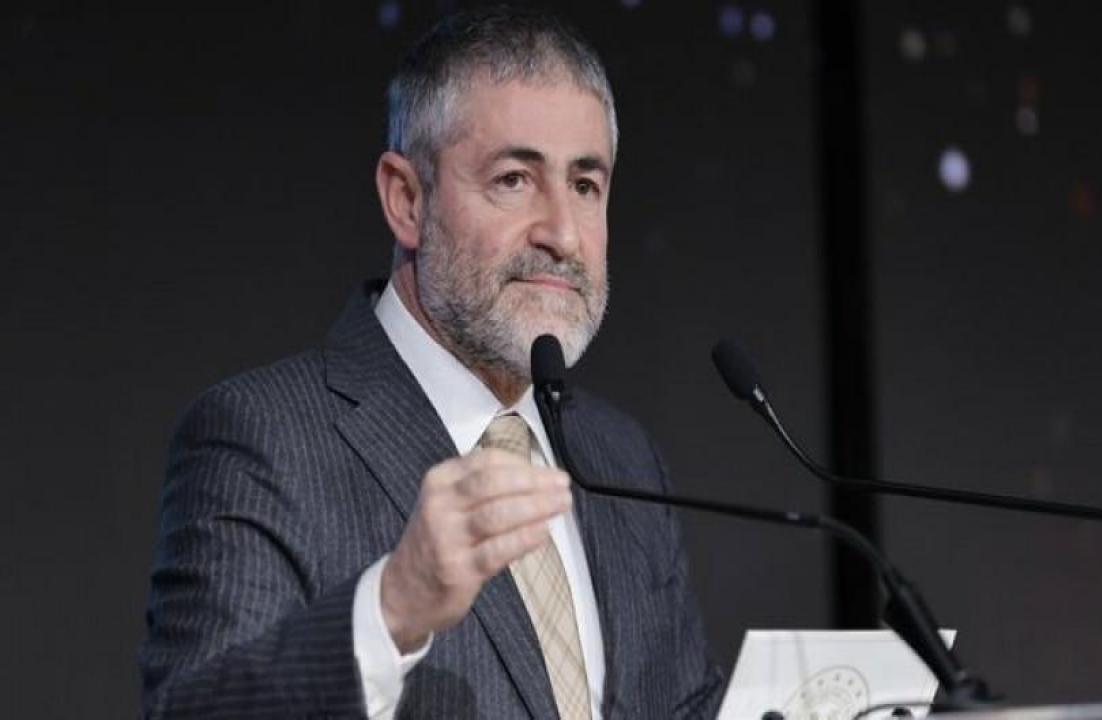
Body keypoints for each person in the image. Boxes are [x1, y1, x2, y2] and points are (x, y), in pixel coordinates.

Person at [139, 6, 724, 718]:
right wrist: (392, 607)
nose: (563, 235)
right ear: (407, 199)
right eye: (514, 179)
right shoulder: (263, 436)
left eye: (584, 186)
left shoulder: (622, 458)